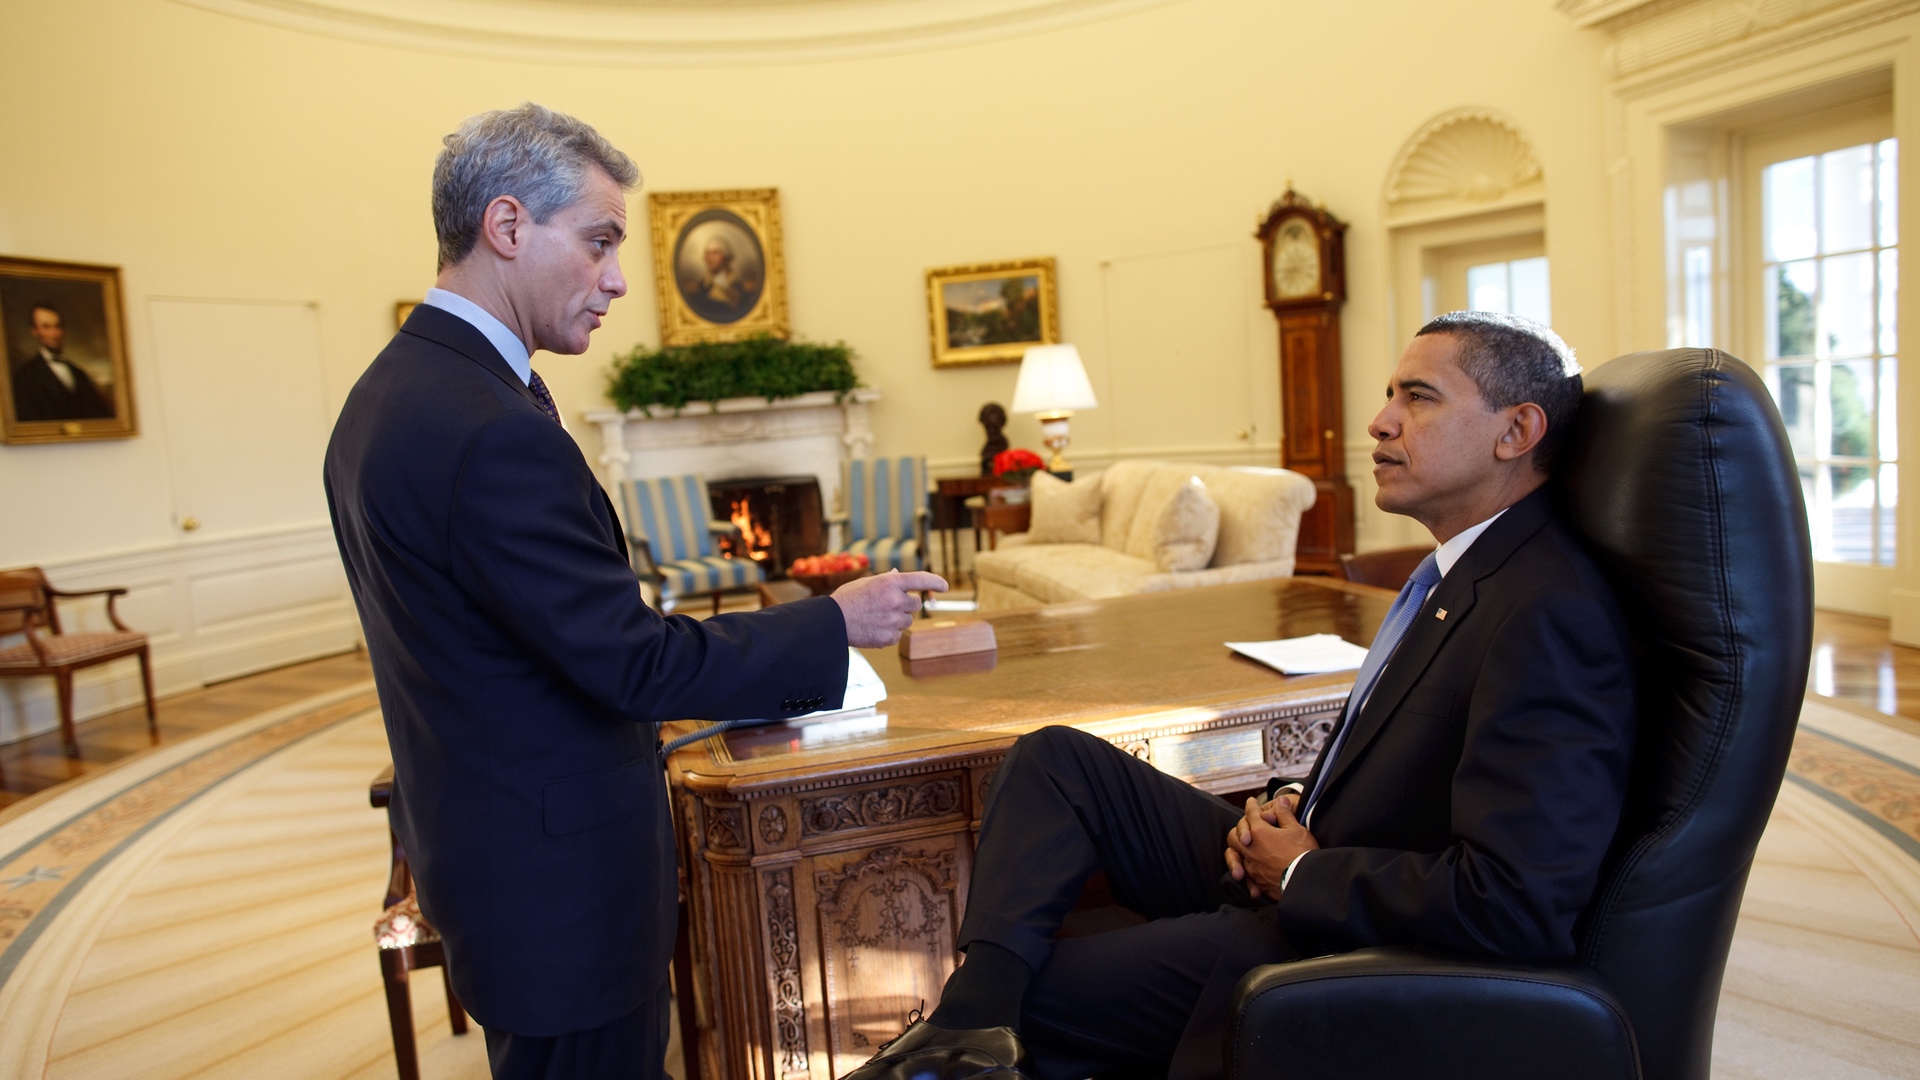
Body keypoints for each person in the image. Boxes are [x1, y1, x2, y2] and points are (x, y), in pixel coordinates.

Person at [846, 311, 1636, 1080]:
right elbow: (1396, 762)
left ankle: (967, 1034)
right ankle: (971, 1023)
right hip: (1302, 857)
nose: (1379, 422)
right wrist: (1288, 801)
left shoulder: (1548, 611)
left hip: (1336, 943)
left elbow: (1519, 903)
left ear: (1516, 431)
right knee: (1055, 761)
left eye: (1418, 398)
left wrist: (1300, 875)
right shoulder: (1456, 574)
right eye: (1390, 395)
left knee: (1035, 993)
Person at [324, 104, 944, 1080]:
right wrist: (835, 621)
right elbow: (632, 660)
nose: (618, 278)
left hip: (490, 859)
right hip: (559, 893)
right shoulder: (490, 429)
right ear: (509, 225)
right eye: (601, 241)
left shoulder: (387, 395)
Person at [10, 303, 113, 422]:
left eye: (57, 326)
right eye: (46, 327)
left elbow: (100, 415)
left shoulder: (79, 374)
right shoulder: (25, 375)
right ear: (34, 331)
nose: (54, 333)